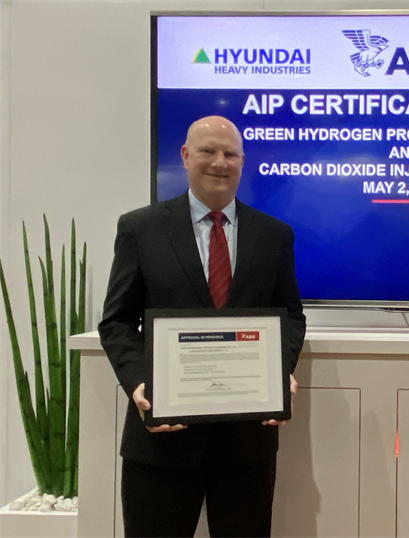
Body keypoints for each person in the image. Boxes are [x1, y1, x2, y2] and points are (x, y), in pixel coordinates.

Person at [98, 115, 306, 538]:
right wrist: (139, 384)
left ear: (243, 161)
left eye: (230, 153)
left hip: (246, 445)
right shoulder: (140, 228)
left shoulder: (274, 235)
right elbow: (117, 320)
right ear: (185, 156)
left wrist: (277, 370)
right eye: (208, 151)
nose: (219, 162)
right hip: (161, 441)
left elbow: (290, 317)